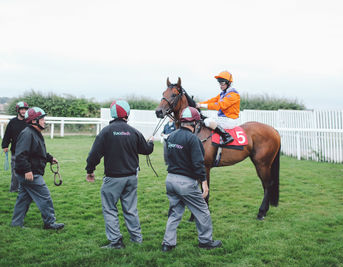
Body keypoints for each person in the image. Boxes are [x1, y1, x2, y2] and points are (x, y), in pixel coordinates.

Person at [85, 100, 154, 249]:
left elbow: (94, 155)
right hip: (131, 178)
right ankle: (137, 239)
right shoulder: (134, 131)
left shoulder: (106, 132)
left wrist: (90, 170)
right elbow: (146, 150)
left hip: (113, 179)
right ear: (127, 114)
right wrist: (151, 143)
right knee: (131, 209)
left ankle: (116, 242)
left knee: (110, 209)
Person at [161, 106, 222, 252]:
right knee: (202, 211)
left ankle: (167, 244)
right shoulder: (193, 139)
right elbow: (198, 163)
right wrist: (204, 183)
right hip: (185, 183)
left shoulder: (171, 136)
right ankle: (206, 241)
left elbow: (167, 157)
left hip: (170, 180)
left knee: (175, 212)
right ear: (195, 123)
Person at [11, 107, 64, 230]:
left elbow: (37, 152)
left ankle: (16, 224)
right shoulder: (28, 134)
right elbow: (20, 155)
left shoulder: (34, 133)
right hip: (31, 174)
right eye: (42, 119)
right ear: (34, 120)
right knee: (45, 197)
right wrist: (27, 171)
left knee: (23, 199)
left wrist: (50, 158)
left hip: (27, 173)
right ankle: (50, 223)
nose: (44, 121)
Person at [196, 70, 240, 145]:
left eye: (222, 83)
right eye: (219, 83)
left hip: (230, 120)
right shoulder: (223, 94)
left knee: (207, 121)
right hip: (224, 119)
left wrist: (201, 106)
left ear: (228, 83)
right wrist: (198, 104)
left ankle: (226, 136)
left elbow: (220, 105)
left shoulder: (233, 95)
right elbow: (211, 101)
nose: (220, 85)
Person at [2, 101, 29, 192]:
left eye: (25, 109)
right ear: (18, 110)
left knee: (28, 171)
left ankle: (26, 189)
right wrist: (5, 145)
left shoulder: (29, 122)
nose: (23, 111)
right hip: (15, 151)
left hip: (27, 151)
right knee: (15, 172)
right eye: (21, 109)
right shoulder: (12, 122)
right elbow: (7, 135)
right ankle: (14, 189)